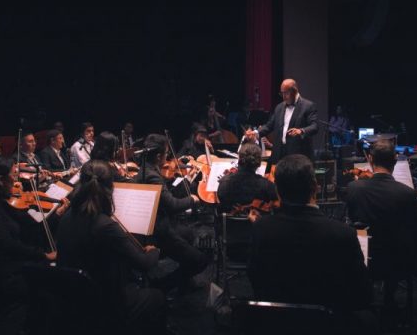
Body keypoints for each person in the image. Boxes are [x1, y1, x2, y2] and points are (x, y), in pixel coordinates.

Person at [248, 154, 373, 321]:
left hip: (278, 322)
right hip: (327, 323)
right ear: (315, 187)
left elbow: (256, 281)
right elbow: (363, 295)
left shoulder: (261, 228)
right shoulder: (343, 233)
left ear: (277, 190)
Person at [57, 161, 167, 333]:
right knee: (157, 297)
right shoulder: (105, 226)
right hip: (105, 303)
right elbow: (144, 263)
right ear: (110, 187)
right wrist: (154, 251)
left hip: (76, 297)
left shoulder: (67, 216)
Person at [346, 139, 417, 321]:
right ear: (394, 160)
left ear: (370, 159)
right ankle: (389, 299)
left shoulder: (354, 188)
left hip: (366, 258)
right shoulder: (408, 193)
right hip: (399, 261)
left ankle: (366, 297)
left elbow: (353, 220)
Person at [0, 156, 55, 307]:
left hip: (12, 265)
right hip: (0, 278)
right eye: (13, 175)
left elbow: (26, 226)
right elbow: (8, 245)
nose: (16, 181)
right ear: (1, 180)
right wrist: (43, 255)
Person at [141, 133, 208, 291]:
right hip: (159, 229)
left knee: (188, 234)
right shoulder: (152, 176)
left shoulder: (145, 169)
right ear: (158, 156)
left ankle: (185, 282)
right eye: (166, 153)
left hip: (158, 223)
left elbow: (165, 196)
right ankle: (163, 285)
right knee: (200, 261)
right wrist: (192, 199)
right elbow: (172, 205)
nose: (168, 157)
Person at [245, 78, 318, 164]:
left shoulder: (308, 106)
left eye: (286, 93)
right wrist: (255, 132)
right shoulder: (279, 107)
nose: (283, 97)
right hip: (279, 154)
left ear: (294, 91)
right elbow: (269, 126)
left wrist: (301, 131)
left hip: (298, 156)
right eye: (282, 93)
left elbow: (314, 126)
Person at [217, 143, 278, 214]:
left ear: (239, 160)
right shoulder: (267, 186)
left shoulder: (224, 182)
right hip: (257, 220)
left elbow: (221, 202)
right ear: (259, 163)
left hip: (229, 221)